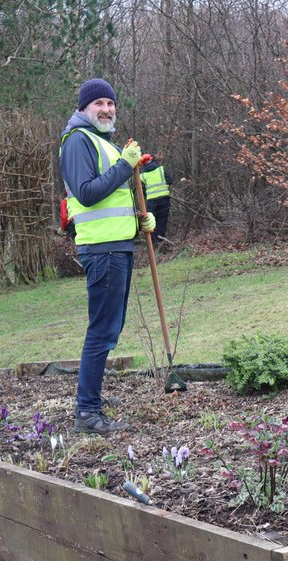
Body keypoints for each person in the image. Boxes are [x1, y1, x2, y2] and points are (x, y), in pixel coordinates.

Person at [58, 77, 156, 435]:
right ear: (84, 109)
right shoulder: (77, 142)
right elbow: (86, 194)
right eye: (98, 103)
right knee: (102, 331)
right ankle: (87, 412)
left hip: (118, 246)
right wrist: (124, 167)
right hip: (102, 251)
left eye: (111, 103)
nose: (106, 109)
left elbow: (112, 198)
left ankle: (92, 395)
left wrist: (139, 220)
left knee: (109, 329)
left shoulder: (103, 143)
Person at [140, 156, 172, 243]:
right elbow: (170, 180)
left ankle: (154, 242)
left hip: (151, 201)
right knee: (162, 220)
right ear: (152, 160)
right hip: (164, 199)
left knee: (151, 221)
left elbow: (142, 190)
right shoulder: (161, 169)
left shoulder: (142, 176)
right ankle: (161, 239)